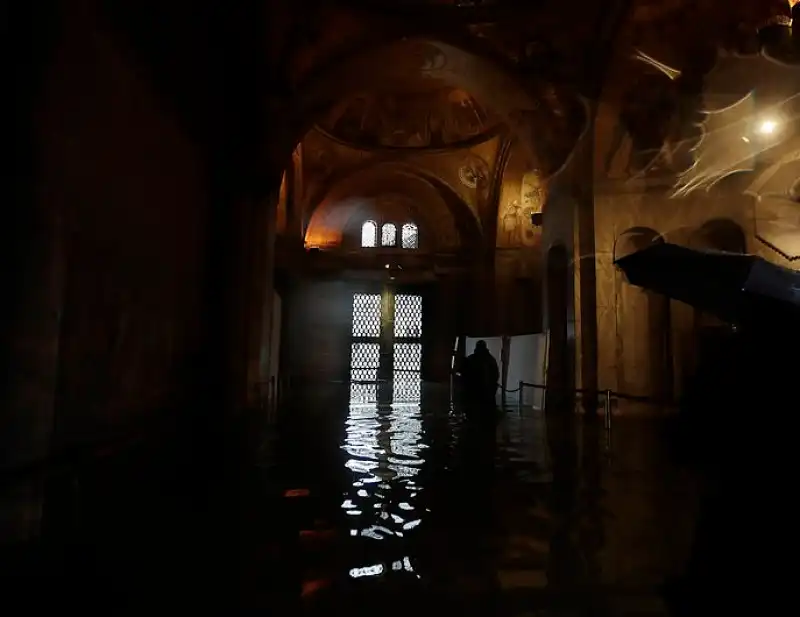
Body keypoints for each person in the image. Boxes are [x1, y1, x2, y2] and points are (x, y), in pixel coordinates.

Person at [460, 340, 499, 418]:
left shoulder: (471, 359)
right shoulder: (490, 360)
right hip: (486, 394)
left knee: (473, 418)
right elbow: (495, 376)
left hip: (473, 394)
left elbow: (463, 374)